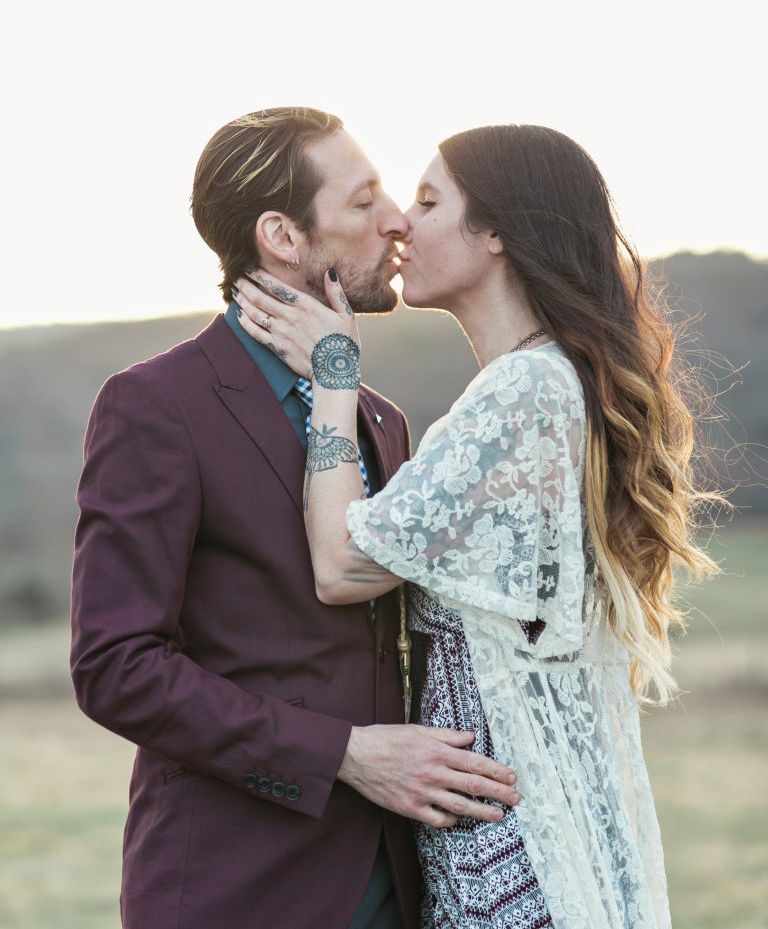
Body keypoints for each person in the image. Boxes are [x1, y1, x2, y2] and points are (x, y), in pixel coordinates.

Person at [231, 122, 720, 929]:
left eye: (428, 202)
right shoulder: (559, 383)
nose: (400, 223)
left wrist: (333, 376)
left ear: (495, 232)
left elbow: (342, 564)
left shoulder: (523, 395)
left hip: (510, 854)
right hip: (519, 828)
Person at [70, 108, 522, 929]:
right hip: (236, 885)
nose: (394, 221)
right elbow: (115, 665)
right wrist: (342, 755)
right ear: (283, 235)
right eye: (362, 202)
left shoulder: (378, 417)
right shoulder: (156, 406)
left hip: (400, 874)